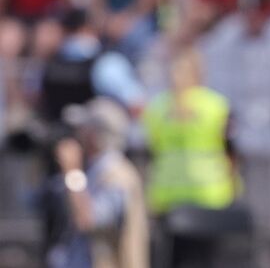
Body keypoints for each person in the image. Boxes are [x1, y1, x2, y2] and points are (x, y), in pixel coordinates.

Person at [141, 47, 238, 268]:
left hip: (209, 195)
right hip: (168, 197)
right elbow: (153, 151)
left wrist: (232, 187)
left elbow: (230, 151)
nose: (177, 77)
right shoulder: (158, 107)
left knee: (207, 259)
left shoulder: (216, 106)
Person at [47, 97, 149, 268]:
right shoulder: (94, 169)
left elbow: (87, 219)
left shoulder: (118, 175)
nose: (77, 134)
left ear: (95, 135)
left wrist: (72, 172)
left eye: (83, 128)